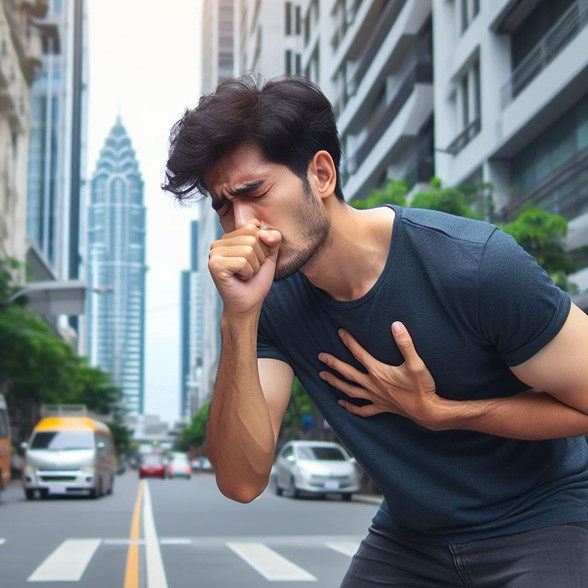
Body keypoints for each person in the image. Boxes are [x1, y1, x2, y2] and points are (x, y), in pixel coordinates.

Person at [162, 74, 588, 587]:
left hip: (545, 516)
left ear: (321, 174)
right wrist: (238, 317)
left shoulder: (474, 265)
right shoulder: (268, 303)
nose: (243, 225)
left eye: (255, 192)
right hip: (412, 536)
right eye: (224, 206)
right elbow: (240, 481)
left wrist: (443, 414)